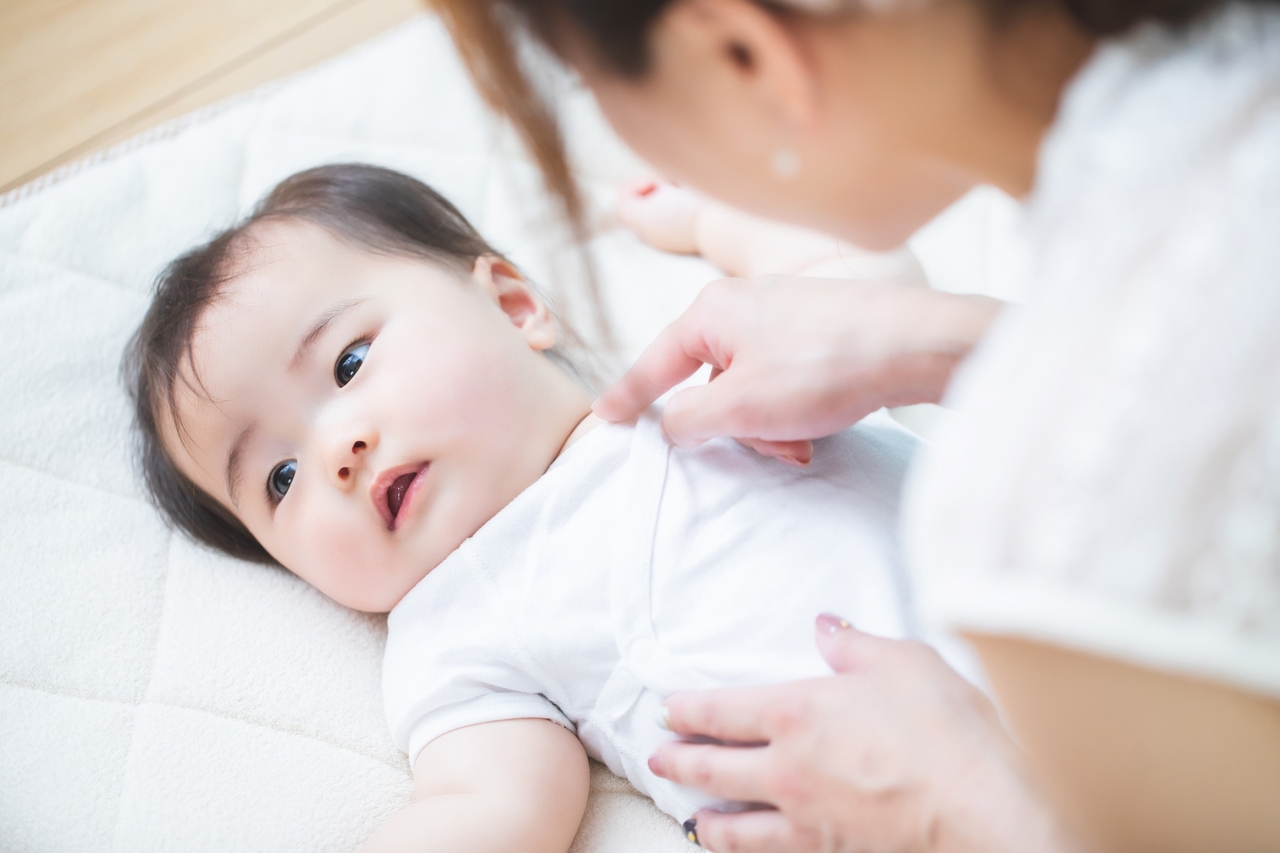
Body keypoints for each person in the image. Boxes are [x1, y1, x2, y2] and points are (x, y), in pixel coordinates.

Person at [436, 0, 1280, 850]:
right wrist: (938, 336)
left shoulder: (1030, 530)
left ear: (742, 53)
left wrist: (970, 812)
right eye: (287, 480)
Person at [124, 163, 958, 852]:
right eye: (278, 478)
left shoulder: (692, 382)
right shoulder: (458, 628)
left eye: (349, 363)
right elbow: (484, 806)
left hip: (1047, 588)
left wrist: (714, 220)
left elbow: (847, 286)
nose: (336, 451)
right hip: (913, 804)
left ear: (514, 306)